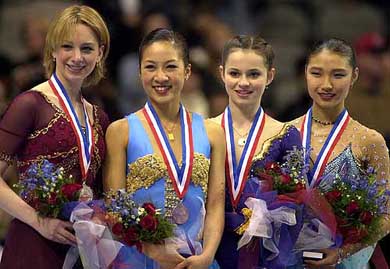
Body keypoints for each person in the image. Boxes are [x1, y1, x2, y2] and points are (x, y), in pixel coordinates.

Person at [104, 28, 225, 269]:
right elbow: (113, 209)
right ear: (139, 73)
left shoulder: (213, 132)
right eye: (150, 67)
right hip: (139, 259)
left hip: (195, 260)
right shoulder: (120, 131)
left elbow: (215, 203)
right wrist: (154, 252)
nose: (161, 76)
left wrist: (208, 254)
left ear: (187, 71)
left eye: (170, 66)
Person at [0, 5, 110, 268]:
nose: (76, 57)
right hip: (32, 245)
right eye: (66, 47)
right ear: (52, 50)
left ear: (100, 53)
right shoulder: (29, 104)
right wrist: (40, 222)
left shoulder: (100, 118)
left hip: (81, 250)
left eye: (86, 48)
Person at [290, 38, 390, 268]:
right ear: (305, 73)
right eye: (317, 73)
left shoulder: (370, 141)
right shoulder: (284, 133)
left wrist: (343, 252)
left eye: (338, 75)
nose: (326, 85)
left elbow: (385, 217)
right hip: (289, 261)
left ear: (354, 76)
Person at [212, 35, 303, 269]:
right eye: (234, 73)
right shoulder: (203, 131)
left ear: (270, 76)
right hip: (209, 251)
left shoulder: (286, 134)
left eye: (253, 74)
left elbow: (296, 201)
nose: (243, 82)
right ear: (222, 73)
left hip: (263, 254)